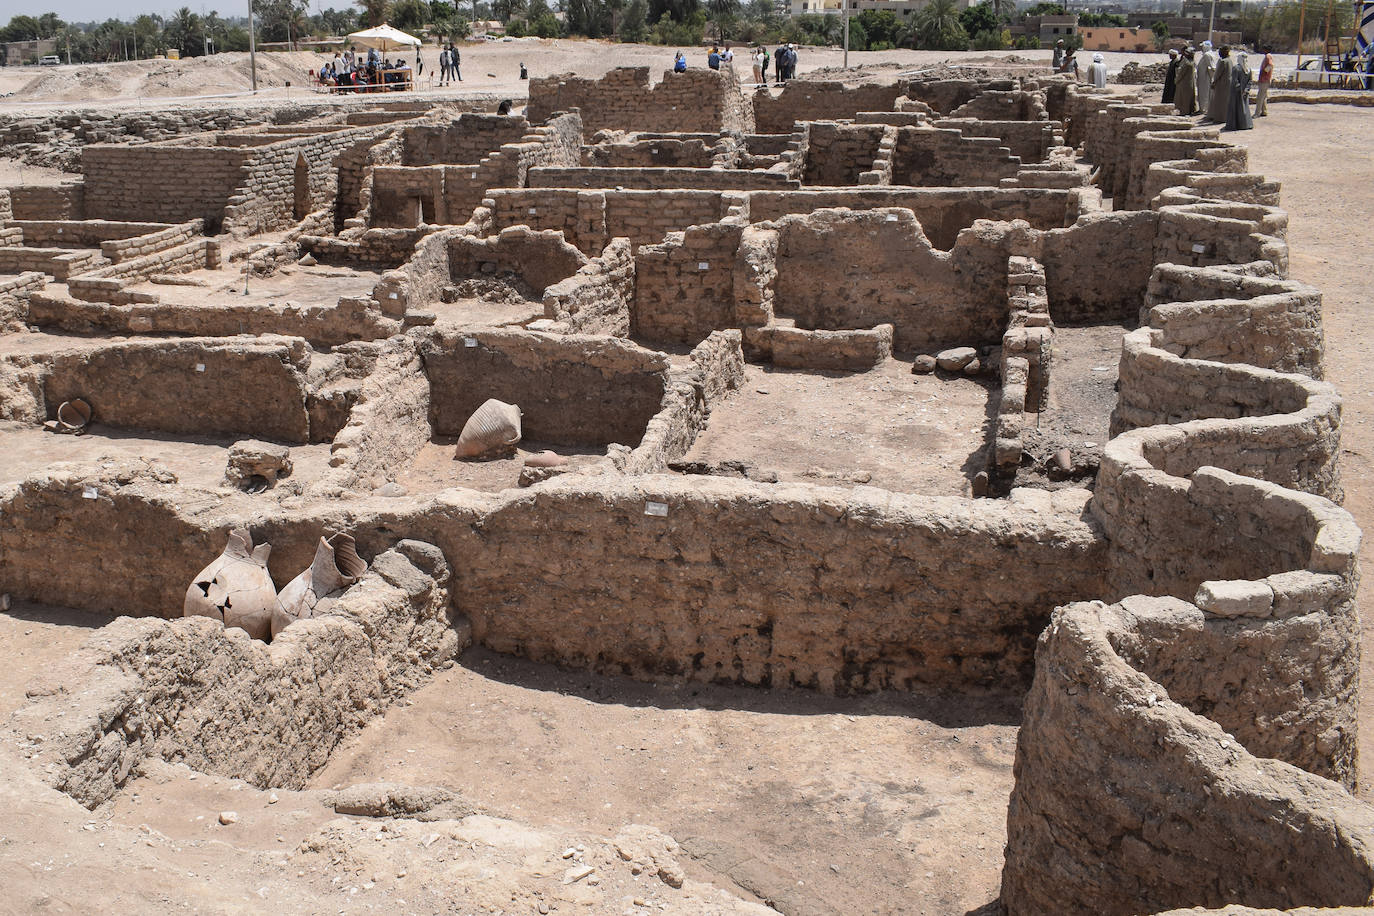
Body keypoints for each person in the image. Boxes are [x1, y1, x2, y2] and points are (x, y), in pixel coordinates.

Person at [1225, 50, 1253, 130]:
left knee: (1236, 109)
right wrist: (1246, 90)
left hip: (1236, 93)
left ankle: (1235, 125)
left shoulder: (1236, 68)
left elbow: (1234, 81)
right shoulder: (1248, 69)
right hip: (1245, 92)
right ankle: (1246, 124)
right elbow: (1250, 81)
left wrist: (1239, 90)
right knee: (1244, 108)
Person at [1206, 45, 1232, 122]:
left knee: (1219, 102)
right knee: (1224, 102)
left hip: (1221, 84)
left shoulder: (1222, 61)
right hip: (1227, 84)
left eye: (1220, 52)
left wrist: (1213, 83)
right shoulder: (1229, 60)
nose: (1219, 53)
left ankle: (1219, 118)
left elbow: (1217, 74)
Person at [1174, 47, 1197, 115]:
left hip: (1184, 84)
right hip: (1189, 83)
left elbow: (1181, 74)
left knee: (1184, 99)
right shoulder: (1191, 62)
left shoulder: (1187, 63)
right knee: (1188, 98)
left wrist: (1176, 80)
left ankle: (1184, 112)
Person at [1196, 40, 1216, 114]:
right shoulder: (1209, 54)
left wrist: (1212, 78)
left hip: (1205, 78)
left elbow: (1210, 67)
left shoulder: (1207, 55)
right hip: (1204, 77)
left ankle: (1203, 109)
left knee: (1204, 93)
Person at [1255, 46, 1274, 116]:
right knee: (1264, 96)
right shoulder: (1268, 56)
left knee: (1260, 97)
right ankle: (1264, 111)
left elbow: (1270, 65)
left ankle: (1257, 113)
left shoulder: (1268, 56)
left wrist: (1264, 72)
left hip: (1264, 80)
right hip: (1265, 79)